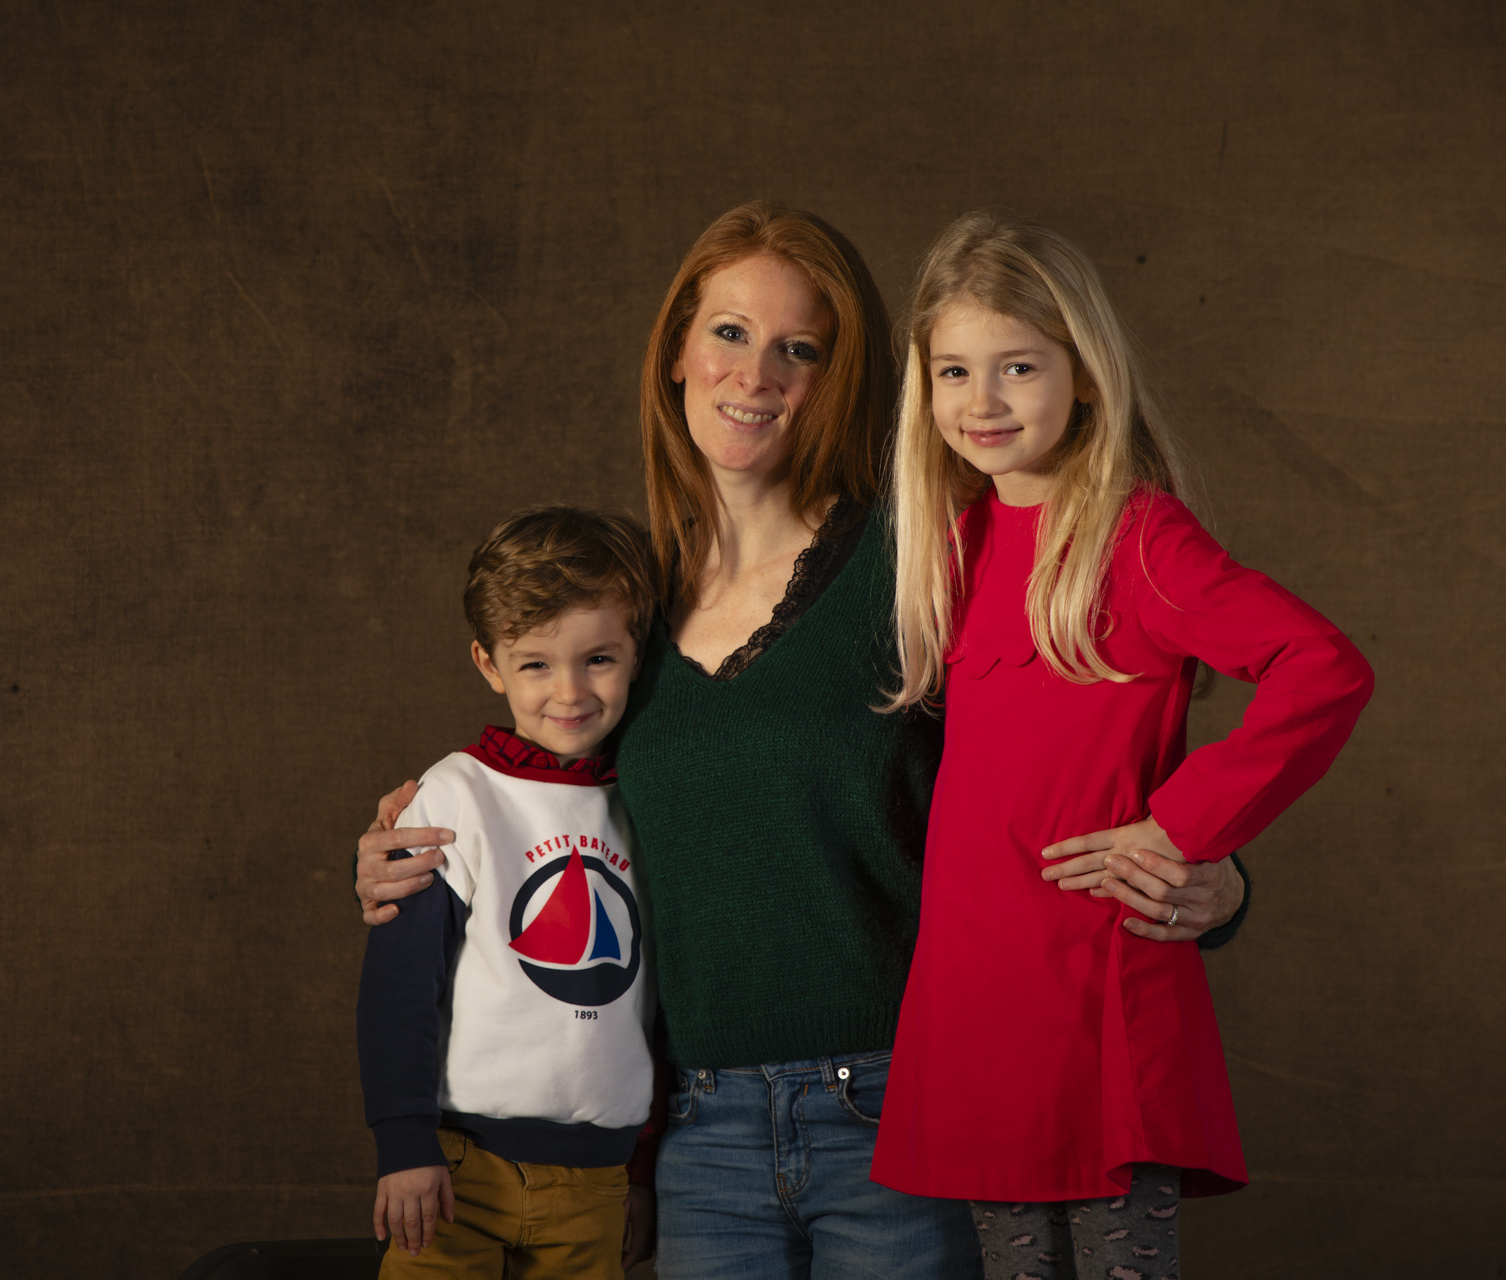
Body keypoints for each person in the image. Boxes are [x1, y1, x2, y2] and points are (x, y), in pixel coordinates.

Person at [356, 201, 1251, 1279]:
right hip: (698, 1136)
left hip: (900, 1108)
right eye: (730, 333)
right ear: (677, 351)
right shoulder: (625, 600)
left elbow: (1083, 737)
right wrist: (425, 844)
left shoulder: (924, 555)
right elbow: (554, 808)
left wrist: (1211, 868)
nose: (756, 374)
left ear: (842, 377)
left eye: (801, 349)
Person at [868, 211, 1375, 1280]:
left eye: (1018, 366)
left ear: (1087, 375)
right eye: (954, 371)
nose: (982, 400)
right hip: (976, 1004)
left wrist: (1183, 827)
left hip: (1098, 995)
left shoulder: (1137, 538)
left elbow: (1323, 666)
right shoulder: (949, 544)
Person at [357, 506, 663, 1278]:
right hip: (455, 1169)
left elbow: (661, 1009)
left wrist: (640, 1171)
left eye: (599, 658)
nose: (569, 691)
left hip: (598, 1179)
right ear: (489, 664)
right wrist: (403, 1144)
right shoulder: (454, 796)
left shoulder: (653, 800)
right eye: (534, 665)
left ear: (637, 652)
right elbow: (398, 988)